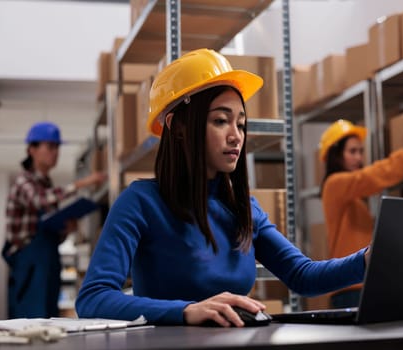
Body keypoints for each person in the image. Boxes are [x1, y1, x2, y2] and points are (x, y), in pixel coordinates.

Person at [76, 48, 368, 327]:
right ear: (177, 127)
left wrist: (368, 258)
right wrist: (186, 310)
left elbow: (303, 276)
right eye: (220, 121)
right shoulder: (140, 202)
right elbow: (93, 298)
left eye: (240, 124)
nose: (236, 136)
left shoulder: (244, 209)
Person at [318, 119, 403, 309]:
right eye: (352, 151)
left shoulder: (352, 198)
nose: (358, 158)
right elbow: (370, 177)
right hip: (349, 290)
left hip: (363, 285)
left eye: (361, 151)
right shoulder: (334, 184)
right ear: (336, 155)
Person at [2, 121, 107, 318]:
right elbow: (40, 201)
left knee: (48, 317)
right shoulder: (23, 181)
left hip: (48, 260)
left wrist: (65, 229)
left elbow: (47, 227)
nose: (55, 152)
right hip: (30, 264)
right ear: (31, 149)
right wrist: (81, 184)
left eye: (57, 147)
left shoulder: (47, 184)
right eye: (50, 147)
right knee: (30, 319)